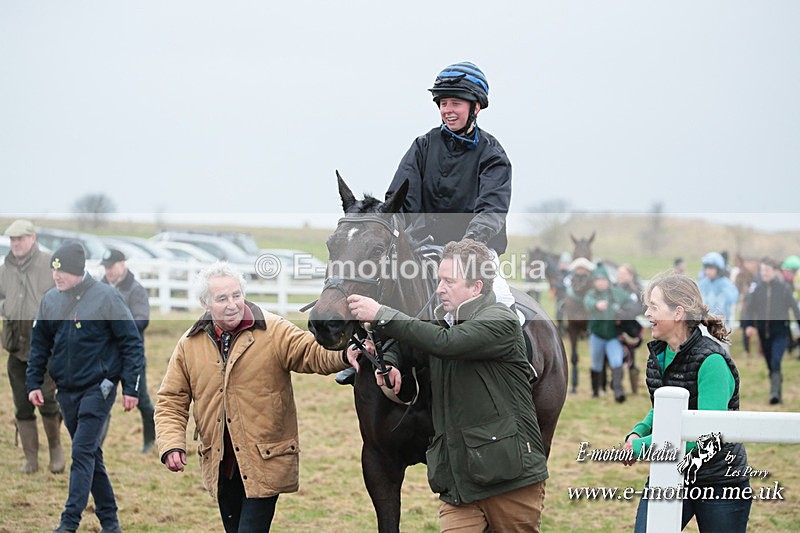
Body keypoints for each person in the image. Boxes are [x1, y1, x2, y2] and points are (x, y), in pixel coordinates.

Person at [347, 239, 548, 532]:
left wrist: (382, 314)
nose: (439, 288)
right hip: (458, 484)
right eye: (439, 279)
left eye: (449, 281)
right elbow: (411, 344)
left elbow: (446, 344)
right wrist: (388, 361)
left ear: (476, 287)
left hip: (509, 479)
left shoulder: (500, 321)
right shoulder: (444, 322)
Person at [154, 262, 352, 533]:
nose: (232, 303)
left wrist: (344, 354)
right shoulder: (189, 343)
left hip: (265, 460)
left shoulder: (273, 330)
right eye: (222, 298)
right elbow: (170, 400)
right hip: (222, 464)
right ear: (205, 303)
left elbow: (311, 353)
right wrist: (171, 443)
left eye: (236, 295)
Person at [27, 241, 144, 533]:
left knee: (81, 452)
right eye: (54, 271)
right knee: (91, 454)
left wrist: (130, 387)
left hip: (99, 388)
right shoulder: (50, 300)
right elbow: (39, 344)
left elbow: (131, 342)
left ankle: (68, 523)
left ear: (78, 271)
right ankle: (110, 522)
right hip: (65, 391)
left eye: (63, 271)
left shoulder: (106, 297)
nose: (57, 276)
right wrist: (34, 382)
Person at [622, 272, 751, 532]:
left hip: (719, 481)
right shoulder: (659, 353)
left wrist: (641, 447)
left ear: (678, 313)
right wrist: (639, 431)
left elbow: (707, 435)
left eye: (654, 306)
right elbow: (664, 407)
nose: (647, 313)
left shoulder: (712, 361)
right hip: (669, 473)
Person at [384, 61, 514, 308]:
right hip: (423, 249)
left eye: (455, 103)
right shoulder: (422, 146)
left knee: (505, 306)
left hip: (475, 253)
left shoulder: (493, 156)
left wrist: (465, 248)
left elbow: (491, 211)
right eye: (443, 104)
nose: (448, 110)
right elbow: (400, 201)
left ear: (475, 107)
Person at [0, 219, 64, 474]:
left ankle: (56, 451)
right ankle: (31, 459)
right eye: (13, 240)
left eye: (20, 239)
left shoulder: (49, 264)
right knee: (21, 404)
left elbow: (63, 296)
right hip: (16, 347)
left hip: (45, 347)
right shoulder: (6, 267)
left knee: (48, 400)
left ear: (32, 239)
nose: (16, 244)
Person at [98, 248, 155, 453]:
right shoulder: (99, 287)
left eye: (111, 266)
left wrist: (117, 328)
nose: (108, 271)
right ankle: (96, 445)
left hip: (131, 357)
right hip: (106, 358)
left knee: (142, 400)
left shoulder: (136, 290)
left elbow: (142, 320)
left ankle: (151, 441)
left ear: (122, 264)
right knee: (100, 398)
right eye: (105, 267)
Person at [741, 257, 800, 404]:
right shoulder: (757, 289)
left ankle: (774, 394)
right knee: (770, 364)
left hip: (780, 333)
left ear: (775, 271)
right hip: (763, 334)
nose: (764, 273)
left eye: (767, 270)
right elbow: (749, 309)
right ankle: (777, 390)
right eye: (762, 271)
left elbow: (795, 310)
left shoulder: (784, 289)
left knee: (775, 361)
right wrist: (749, 325)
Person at [583, 264, 632, 402]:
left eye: (603, 280)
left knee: (616, 361)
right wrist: (595, 305)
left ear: (607, 281)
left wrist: (624, 313)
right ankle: (595, 391)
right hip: (597, 335)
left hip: (613, 336)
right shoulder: (592, 294)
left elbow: (631, 302)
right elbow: (587, 302)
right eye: (598, 280)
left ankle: (618, 391)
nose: (601, 282)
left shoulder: (616, 293)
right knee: (596, 364)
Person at [616, 263, 645, 395]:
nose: (621, 277)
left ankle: (634, 389)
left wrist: (625, 312)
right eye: (619, 274)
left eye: (624, 274)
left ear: (630, 275)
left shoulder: (636, 291)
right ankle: (617, 386)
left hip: (630, 328)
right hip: (615, 327)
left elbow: (641, 307)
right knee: (617, 357)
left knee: (630, 356)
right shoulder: (613, 289)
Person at [697, 251, 739, 325]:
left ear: (718, 269)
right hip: (705, 323)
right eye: (706, 268)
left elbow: (733, 299)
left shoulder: (726, 284)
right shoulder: (702, 284)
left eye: (711, 268)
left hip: (722, 323)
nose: (708, 271)